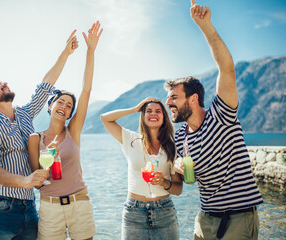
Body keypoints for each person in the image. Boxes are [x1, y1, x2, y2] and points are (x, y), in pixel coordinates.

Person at [164, 1, 263, 239]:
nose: (168, 104)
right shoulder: (180, 136)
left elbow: (226, 69)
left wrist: (205, 26)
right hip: (206, 217)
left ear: (193, 98)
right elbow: (190, 180)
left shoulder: (222, 115)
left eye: (174, 98)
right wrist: (177, 169)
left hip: (239, 216)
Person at [0, 30, 78, 239]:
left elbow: (44, 87)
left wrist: (65, 53)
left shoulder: (24, 114)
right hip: (1, 207)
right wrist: (24, 181)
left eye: (2, 81)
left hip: (29, 207)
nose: (4, 83)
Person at [28, 21, 102, 240]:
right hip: (50, 208)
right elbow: (36, 180)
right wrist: (47, 159)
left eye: (69, 106)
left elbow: (86, 89)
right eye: (60, 102)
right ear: (50, 105)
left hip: (80, 202)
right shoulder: (35, 138)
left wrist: (90, 50)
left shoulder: (73, 131)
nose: (64, 107)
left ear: (70, 113)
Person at [100, 97, 183, 239]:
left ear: (164, 117)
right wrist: (135, 109)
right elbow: (105, 118)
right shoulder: (130, 139)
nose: (153, 114)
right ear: (142, 115)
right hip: (134, 213)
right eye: (148, 111)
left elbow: (178, 189)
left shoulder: (172, 146)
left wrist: (163, 182)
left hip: (164, 212)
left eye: (158, 111)